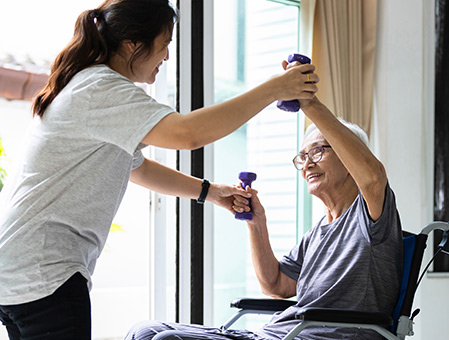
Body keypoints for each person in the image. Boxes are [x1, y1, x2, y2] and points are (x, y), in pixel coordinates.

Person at [0, 0, 318, 339]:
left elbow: (135, 167)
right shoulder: (101, 88)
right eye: (165, 44)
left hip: (21, 265)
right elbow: (187, 133)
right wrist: (274, 89)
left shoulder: (91, 87)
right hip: (42, 269)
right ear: (133, 44)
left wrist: (210, 192)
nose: (167, 56)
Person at [124, 97, 403, 338]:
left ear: (349, 156)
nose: (307, 164)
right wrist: (257, 223)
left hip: (320, 337)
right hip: (278, 333)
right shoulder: (318, 232)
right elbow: (276, 285)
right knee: (145, 331)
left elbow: (373, 177)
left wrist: (309, 103)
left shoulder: (371, 219)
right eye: (302, 157)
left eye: (318, 151)